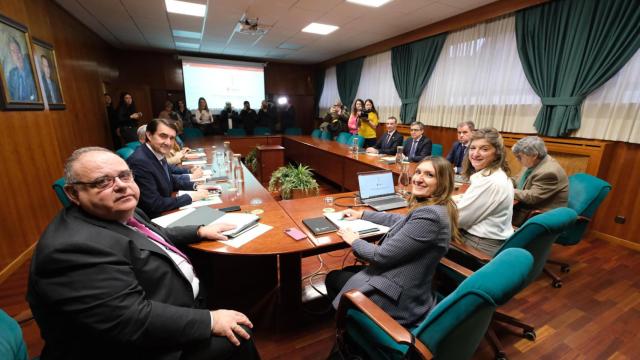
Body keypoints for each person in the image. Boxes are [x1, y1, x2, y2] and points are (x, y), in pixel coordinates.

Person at [27, 147, 260, 360]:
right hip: (132, 349)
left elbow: (155, 234)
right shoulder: (71, 249)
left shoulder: (120, 209)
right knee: (240, 337)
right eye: (102, 182)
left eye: (125, 176)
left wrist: (199, 230)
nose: (120, 185)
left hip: (168, 305)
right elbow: (132, 320)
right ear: (73, 193)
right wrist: (210, 320)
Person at [324, 156, 459, 327]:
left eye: (429, 175)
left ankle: (347, 331)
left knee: (333, 277)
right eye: (418, 172)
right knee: (350, 271)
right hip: (404, 278)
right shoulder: (439, 208)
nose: (418, 178)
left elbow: (381, 256)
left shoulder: (430, 216)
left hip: (397, 295)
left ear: (443, 183)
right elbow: (399, 220)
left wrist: (355, 240)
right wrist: (362, 214)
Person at [127, 119, 209, 218]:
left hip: (167, 207)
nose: (168, 142)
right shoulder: (140, 161)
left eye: (172, 138)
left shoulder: (157, 152)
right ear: (149, 135)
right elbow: (153, 204)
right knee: (206, 219)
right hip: (156, 218)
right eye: (163, 136)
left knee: (211, 214)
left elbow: (168, 180)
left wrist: (194, 186)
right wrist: (189, 197)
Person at [456, 128, 514, 255]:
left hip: (477, 246)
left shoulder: (490, 182)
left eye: (484, 149)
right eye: (472, 148)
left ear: (497, 153)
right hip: (483, 240)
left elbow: (458, 219)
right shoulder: (494, 175)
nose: (475, 154)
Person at [511, 136, 569, 226]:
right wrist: (500, 182)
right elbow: (516, 180)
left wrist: (505, 189)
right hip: (524, 207)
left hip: (538, 216)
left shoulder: (549, 172)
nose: (517, 159)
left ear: (534, 155)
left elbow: (531, 197)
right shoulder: (535, 162)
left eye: (519, 157)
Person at [7, 36, 37, 102]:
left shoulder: (30, 68)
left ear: (20, 51)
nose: (16, 54)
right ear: (11, 56)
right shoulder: (11, 73)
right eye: (13, 51)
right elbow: (10, 97)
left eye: (17, 50)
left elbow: (36, 97)